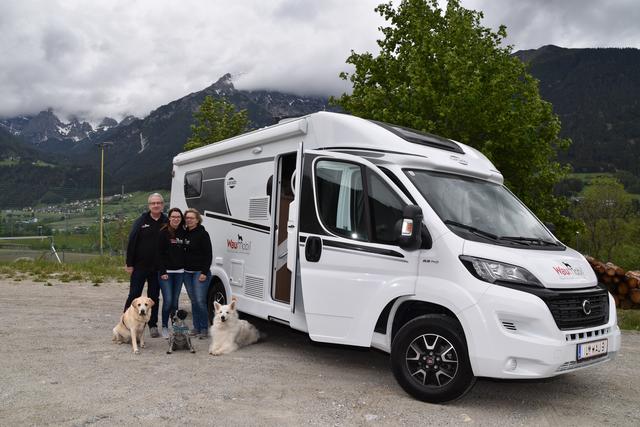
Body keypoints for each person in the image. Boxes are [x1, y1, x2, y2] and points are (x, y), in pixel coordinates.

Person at [124, 192, 168, 338]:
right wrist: (129, 263)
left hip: (157, 268)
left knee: (153, 297)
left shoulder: (166, 221)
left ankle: (152, 325)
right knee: (134, 295)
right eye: (153, 203)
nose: (156, 205)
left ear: (163, 205)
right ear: (149, 205)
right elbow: (132, 242)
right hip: (139, 266)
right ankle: (125, 322)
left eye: (158, 203)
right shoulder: (141, 221)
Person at [182, 208, 213, 339]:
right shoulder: (184, 233)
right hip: (187, 272)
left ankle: (204, 328)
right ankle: (196, 327)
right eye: (187, 218)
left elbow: (208, 254)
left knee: (200, 301)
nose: (189, 220)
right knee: (193, 301)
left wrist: (204, 272)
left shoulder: (202, 234)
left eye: (192, 218)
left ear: (197, 219)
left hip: (200, 272)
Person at [158, 207, 186, 338]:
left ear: (181, 219)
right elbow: (158, 254)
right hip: (166, 273)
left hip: (180, 272)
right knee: (168, 300)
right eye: (173, 217)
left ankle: (175, 326)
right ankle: (164, 326)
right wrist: (162, 271)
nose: (176, 219)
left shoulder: (184, 232)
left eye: (178, 217)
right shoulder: (163, 233)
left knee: (175, 301)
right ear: (169, 218)